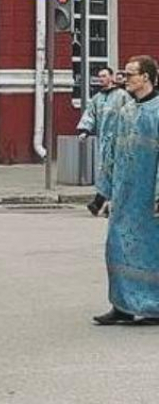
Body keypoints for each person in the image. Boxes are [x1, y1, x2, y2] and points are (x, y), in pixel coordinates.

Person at [92, 55, 159, 325]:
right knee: (117, 246)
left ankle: (153, 305)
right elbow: (110, 151)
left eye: (130, 74)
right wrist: (105, 192)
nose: (124, 78)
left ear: (146, 77)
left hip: (147, 197)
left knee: (149, 250)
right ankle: (121, 304)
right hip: (123, 194)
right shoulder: (126, 110)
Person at [77, 66, 130, 216]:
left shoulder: (122, 96)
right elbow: (90, 115)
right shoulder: (97, 99)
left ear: (112, 77)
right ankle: (103, 202)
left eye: (105, 76)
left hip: (120, 140)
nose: (102, 79)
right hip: (104, 142)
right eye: (100, 76)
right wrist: (84, 131)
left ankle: (101, 202)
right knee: (105, 171)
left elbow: (131, 113)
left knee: (116, 172)